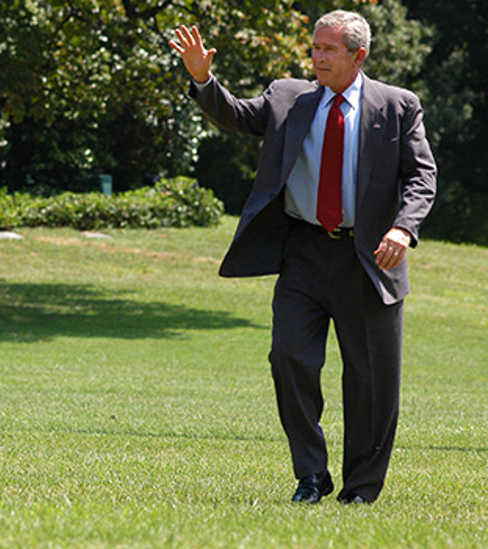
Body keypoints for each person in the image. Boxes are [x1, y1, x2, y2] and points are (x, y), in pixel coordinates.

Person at [169, 10, 436, 504]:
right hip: (305, 254)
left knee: (371, 382)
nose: (317, 57)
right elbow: (236, 115)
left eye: (329, 50)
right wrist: (203, 78)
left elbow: (422, 179)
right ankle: (311, 474)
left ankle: (360, 489)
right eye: (315, 48)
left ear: (358, 56)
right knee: (289, 356)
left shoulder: (399, 107)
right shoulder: (288, 97)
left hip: (371, 258)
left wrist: (404, 227)